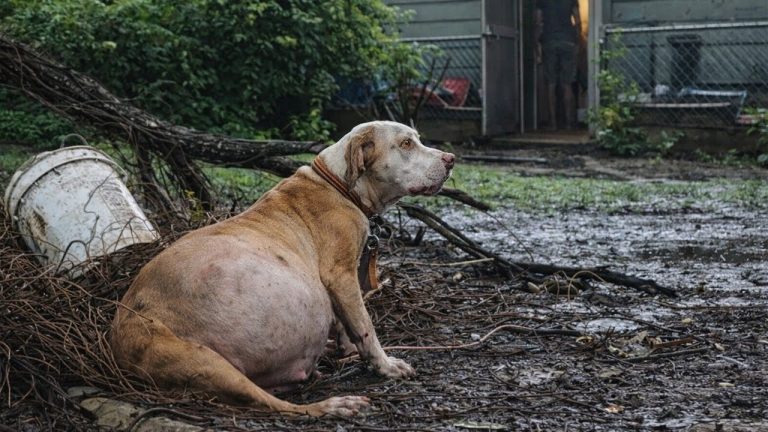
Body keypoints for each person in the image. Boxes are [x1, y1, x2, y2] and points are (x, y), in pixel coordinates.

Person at [536, 0, 581, 130]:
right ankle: (568, 123)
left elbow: (538, 22)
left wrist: (535, 43)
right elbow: (577, 21)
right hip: (568, 41)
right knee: (567, 83)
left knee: (551, 83)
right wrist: (577, 42)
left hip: (549, 41)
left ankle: (553, 123)